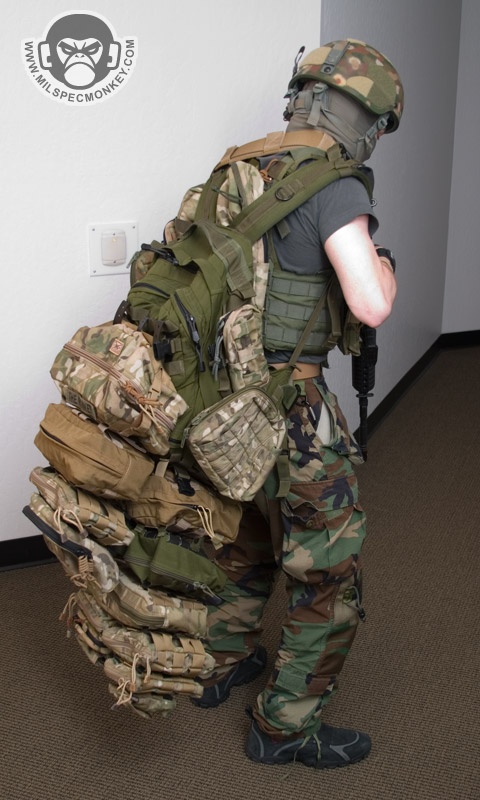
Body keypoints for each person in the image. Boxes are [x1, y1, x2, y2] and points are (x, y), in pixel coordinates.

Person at [191, 39, 404, 770]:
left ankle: (220, 663)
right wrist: (385, 267)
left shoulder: (236, 168)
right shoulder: (336, 184)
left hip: (221, 403)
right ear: (364, 115)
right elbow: (370, 305)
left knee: (243, 537)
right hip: (293, 410)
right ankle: (283, 727)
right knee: (329, 573)